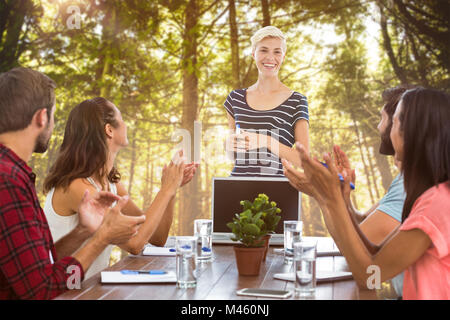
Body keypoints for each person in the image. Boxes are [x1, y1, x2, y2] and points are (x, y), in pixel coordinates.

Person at [290, 87, 450, 299]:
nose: (386, 129)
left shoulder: (436, 205)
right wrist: (329, 198)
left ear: (411, 132)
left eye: (394, 122)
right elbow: (375, 253)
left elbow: (370, 278)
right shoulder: (432, 196)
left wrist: (331, 199)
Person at [0, 67, 145, 299]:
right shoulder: (8, 180)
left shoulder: (14, 173)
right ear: (42, 117)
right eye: (54, 115)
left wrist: (82, 231)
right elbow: (42, 290)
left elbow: (42, 266)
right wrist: (101, 238)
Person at [42, 97, 198, 279]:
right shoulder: (78, 187)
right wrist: (166, 189)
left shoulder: (111, 184)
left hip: (87, 290)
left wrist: (172, 188)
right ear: (109, 130)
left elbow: (156, 237)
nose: (126, 125)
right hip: (63, 292)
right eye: (121, 118)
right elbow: (134, 244)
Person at [224, 26, 310, 177]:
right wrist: (228, 145)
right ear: (253, 54)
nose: (270, 57)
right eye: (263, 50)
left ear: (283, 57)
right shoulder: (235, 98)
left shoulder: (297, 100)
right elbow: (232, 156)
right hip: (238, 187)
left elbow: (303, 162)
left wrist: (266, 141)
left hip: (279, 190)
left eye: (277, 52)